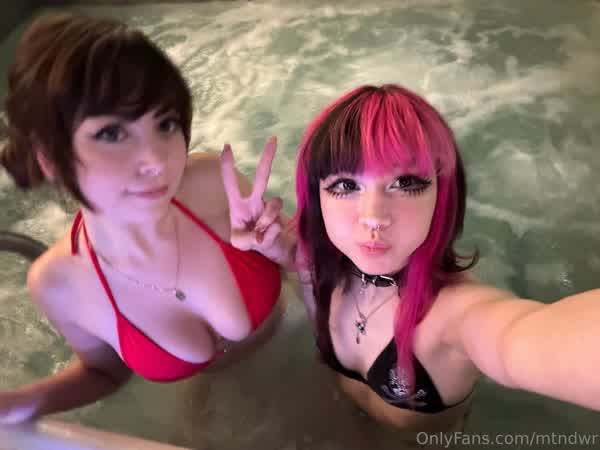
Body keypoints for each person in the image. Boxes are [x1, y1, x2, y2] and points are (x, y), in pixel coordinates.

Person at [0, 12, 292, 424]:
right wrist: (20, 402)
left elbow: (315, 264)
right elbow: (104, 372)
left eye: (165, 123)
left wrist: (284, 249)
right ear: (48, 157)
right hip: (223, 406)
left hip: (308, 347)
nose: (156, 160)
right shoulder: (57, 282)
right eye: (112, 133)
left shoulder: (210, 183)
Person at [291, 84, 600, 432]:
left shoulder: (456, 316)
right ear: (318, 198)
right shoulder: (317, 265)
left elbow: (520, 337)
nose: (373, 217)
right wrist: (261, 239)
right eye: (346, 186)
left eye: (406, 182)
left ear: (442, 195)